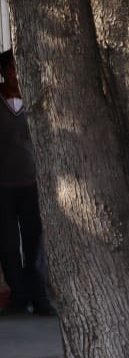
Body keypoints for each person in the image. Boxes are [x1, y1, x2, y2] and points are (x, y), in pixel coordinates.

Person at [0, 51, 52, 317]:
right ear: (3, 71)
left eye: (17, 66)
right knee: (7, 245)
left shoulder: (36, 99)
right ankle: (18, 296)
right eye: (10, 67)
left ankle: (39, 296)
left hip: (33, 184)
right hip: (3, 187)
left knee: (35, 243)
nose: (14, 73)